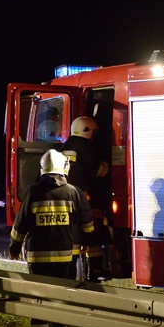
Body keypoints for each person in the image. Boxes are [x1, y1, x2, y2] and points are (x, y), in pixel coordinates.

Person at [9, 149, 94, 327]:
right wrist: (87, 240)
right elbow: (86, 220)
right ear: (64, 168)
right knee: (59, 294)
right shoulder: (73, 192)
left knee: (39, 297)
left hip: (38, 258)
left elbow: (20, 224)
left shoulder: (32, 192)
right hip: (64, 256)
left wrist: (15, 246)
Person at [60, 116, 112, 280]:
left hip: (64, 196)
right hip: (81, 197)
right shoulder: (86, 147)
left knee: (73, 232)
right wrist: (106, 164)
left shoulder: (66, 145)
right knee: (90, 230)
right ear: (87, 131)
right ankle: (95, 270)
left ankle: (78, 271)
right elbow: (99, 171)